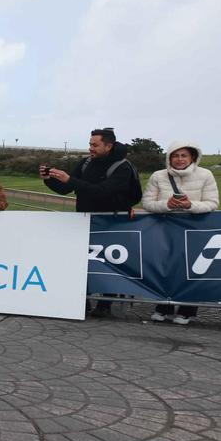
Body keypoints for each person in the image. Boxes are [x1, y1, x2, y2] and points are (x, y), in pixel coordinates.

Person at [43, 127, 143, 317]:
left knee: (109, 262)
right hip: (84, 220)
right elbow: (67, 189)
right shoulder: (85, 163)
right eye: (90, 144)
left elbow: (103, 191)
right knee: (83, 262)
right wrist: (49, 180)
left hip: (112, 222)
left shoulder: (122, 166)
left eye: (95, 145)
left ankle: (106, 303)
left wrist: (70, 179)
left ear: (108, 145)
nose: (91, 148)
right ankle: (83, 299)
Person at [141, 140, 219, 325]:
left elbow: (212, 202)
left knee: (192, 270)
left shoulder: (206, 175)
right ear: (169, 157)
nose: (179, 159)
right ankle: (163, 307)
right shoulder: (158, 176)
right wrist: (165, 205)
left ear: (193, 156)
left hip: (194, 229)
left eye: (184, 155)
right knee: (165, 269)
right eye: (175, 155)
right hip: (164, 229)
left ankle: (186, 310)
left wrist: (189, 205)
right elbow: (147, 203)